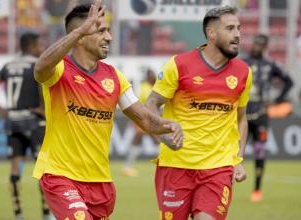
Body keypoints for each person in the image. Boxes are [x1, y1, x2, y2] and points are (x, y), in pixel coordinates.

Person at [32, 1, 183, 219]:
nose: (109, 37)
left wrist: (170, 125)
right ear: (81, 37)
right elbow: (40, 69)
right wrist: (80, 31)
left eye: (109, 31)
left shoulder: (115, 76)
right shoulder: (60, 69)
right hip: (60, 175)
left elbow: (144, 119)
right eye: (101, 31)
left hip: (100, 182)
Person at [145, 6, 252, 220]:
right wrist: (163, 136)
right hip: (176, 166)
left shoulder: (243, 72)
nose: (237, 34)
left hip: (218, 168)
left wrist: (237, 158)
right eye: (230, 28)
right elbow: (150, 105)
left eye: (238, 28)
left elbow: (241, 118)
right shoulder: (178, 65)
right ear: (212, 34)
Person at [0, 33, 52, 220]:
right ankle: (46, 214)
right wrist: (44, 110)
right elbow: (42, 89)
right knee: (43, 170)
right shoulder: (36, 64)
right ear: (31, 46)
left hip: (13, 122)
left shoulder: (9, 65)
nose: (41, 48)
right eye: (39, 45)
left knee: (15, 169)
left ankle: (18, 214)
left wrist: (0, 109)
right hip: (33, 121)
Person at [243, 34, 293, 202]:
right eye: (256, 43)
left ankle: (257, 189)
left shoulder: (270, 65)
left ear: (265, 47)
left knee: (259, 151)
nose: (257, 46)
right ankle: (225, 186)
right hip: (241, 114)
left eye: (261, 44)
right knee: (235, 151)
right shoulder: (242, 62)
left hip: (261, 115)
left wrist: (277, 100)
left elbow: (289, 82)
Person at [122, 68, 157, 177]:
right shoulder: (146, 88)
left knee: (142, 141)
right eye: (152, 75)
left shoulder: (149, 87)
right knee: (155, 140)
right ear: (149, 77)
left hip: (146, 120)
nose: (154, 77)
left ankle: (127, 167)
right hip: (145, 120)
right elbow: (148, 106)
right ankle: (127, 167)